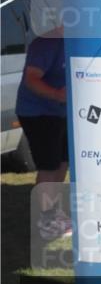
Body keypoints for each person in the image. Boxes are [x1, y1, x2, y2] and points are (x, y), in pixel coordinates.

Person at [15, 27, 71, 240]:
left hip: (61, 112)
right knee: (49, 165)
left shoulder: (81, 41)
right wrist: (57, 94)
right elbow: (32, 78)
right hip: (37, 112)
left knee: (63, 162)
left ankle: (54, 213)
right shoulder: (48, 42)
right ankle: (46, 220)